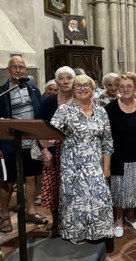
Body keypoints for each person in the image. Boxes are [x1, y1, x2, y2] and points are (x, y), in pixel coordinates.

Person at [49, 74, 114, 244]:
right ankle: (77, 235)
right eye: (78, 85)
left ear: (93, 89)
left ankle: (99, 234)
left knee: (100, 197)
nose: (82, 88)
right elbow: (51, 133)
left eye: (87, 85)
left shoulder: (101, 111)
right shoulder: (65, 110)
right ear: (73, 89)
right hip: (72, 166)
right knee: (75, 202)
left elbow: (107, 141)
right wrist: (46, 140)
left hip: (95, 164)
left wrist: (106, 168)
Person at [0, 56, 46, 234]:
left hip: (31, 142)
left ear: (26, 71)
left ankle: (30, 211)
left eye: (22, 67)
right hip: (10, 143)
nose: (18, 70)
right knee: (8, 180)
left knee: (30, 177)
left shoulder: (33, 89)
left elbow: (40, 112)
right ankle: (4, 214)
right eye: (15, 67)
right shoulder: (3, 92)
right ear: (8, 70)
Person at [105, 72, 136, 238]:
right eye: (121, 86)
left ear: (135, 87)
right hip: (117, 156)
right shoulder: (110, 109)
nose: (125, 89)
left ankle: (131, 216)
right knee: (118, 189)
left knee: (134, 188)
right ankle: (118, 220)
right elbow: (106, 136)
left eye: (129, 86)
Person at [39, 66, 76, 237]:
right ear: (56, 81)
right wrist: (44, 150)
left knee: (75, 189)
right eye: (61, 78)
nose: (65, 81)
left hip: (76, 152)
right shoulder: (49, 102)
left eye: (69, 78)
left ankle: (73, 222)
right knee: (54, 187)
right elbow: (40, 128)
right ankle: (56, 223)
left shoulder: (80, 99)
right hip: (54, 150)